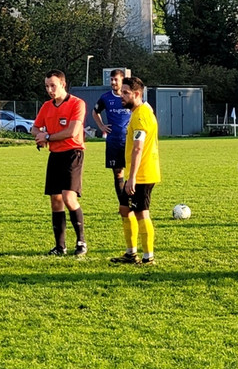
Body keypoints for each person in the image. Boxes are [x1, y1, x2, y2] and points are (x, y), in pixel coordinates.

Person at [34, 70, 87, 256]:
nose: (49, 90)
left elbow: (72, 132)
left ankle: (81, 242)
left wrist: (47, 137)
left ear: (63, 84)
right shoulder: (47, 106)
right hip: (55, 155)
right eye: (47, 86)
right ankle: (60, 246)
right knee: (55, 201)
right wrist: (39, 136)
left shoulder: (77, 103)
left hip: (73, 153)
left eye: (53, 86)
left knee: (68, 198)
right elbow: (35, 128)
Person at [110, 76, 161, 265]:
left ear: (137, 94)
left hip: (142, 174)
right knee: (125, 209)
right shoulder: (141, 110)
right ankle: (131, 253)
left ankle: (148, 257)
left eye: (125, 93)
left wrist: (131, 178)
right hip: (137, 173)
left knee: (141, 213)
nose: (121, 96)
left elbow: (138, 148)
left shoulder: (140, 116)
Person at [93, 69, 133, 243]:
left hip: (130, 141)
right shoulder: (105, 98)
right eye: (112, 80)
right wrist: (102, 126)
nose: (113, 83)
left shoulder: (129, 97)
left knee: (133, 172)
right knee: (118, 173)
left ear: (122, 80)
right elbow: (95, 112)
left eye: (116, 80)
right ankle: (123, 204)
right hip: (114, 141)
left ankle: (133, 203)